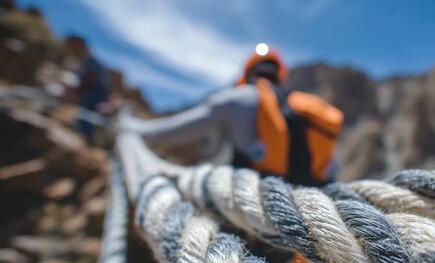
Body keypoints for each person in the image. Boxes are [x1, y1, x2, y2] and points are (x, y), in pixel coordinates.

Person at [126, 43, 344, 186]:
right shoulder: (298, 111)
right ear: (279, 74)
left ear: (248, 72)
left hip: (255, 207)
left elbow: (172, 132)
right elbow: (330, 166)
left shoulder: (236, 99)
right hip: (306, 203)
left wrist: (132, 129)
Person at [65, 35, 110, 143]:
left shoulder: (90, 60)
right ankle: (86, 139)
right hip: (95, 92)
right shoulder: (88, 59)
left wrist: (78, 90)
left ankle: (85, 140)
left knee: (87, 117)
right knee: (88, 117)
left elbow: (90, 77)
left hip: (94, 93)